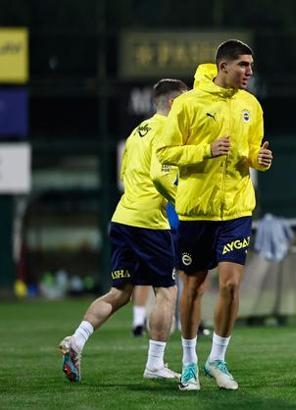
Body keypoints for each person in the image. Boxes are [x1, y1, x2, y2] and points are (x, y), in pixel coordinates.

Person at [157, 39, 273, 391]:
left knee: (231, 284)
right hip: (196, 211)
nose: (249, 71)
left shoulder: (251, 104)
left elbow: (251, 151)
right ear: (223, 66)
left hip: (237, 209)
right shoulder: (188, 103)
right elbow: (166, 152)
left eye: (251, 65)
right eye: (243, 65)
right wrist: (205, 150)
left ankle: (217, 358)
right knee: (193, 287)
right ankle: (189, 362)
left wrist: (258, 160)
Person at [59, 78, 187, 383]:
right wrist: (183, 202)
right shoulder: (169, 131)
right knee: (167, 292)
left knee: (119, 292)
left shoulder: (137, 131)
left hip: (123, 217)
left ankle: (77, 341)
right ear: (173, 103)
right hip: (149, 222)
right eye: (186, 102)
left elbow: (125, 173)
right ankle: (155, 364)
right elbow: (161, 178)